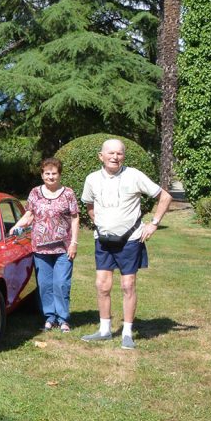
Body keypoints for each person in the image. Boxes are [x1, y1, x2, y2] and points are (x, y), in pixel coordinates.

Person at [79, 138, 172, 350]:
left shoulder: (134, 175)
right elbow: (89, 205)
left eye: (119, 153)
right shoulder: (92, 179)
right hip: (103, 241)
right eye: (110, 153)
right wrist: (101, 225)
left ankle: (127, 333)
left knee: (127, 285)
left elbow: (164, 197)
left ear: (124, 156)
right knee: (102, 285)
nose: (115, 157)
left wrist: (154, 224)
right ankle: (104, 330)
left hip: (130, 240)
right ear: (100, 156)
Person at [10, 157, 80, 333]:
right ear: (42, 175)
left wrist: (74, 243)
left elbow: (75, 218)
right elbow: (29, 215)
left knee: (62, 283)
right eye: (47, 173)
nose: (51, 176)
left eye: (54, 173)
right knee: (45, 284)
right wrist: (16, 227)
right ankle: (50, 317)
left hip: (63, 248)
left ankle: (63, 319)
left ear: (59, 175)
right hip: (40, 247)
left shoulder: (68, 193)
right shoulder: (35, 193)